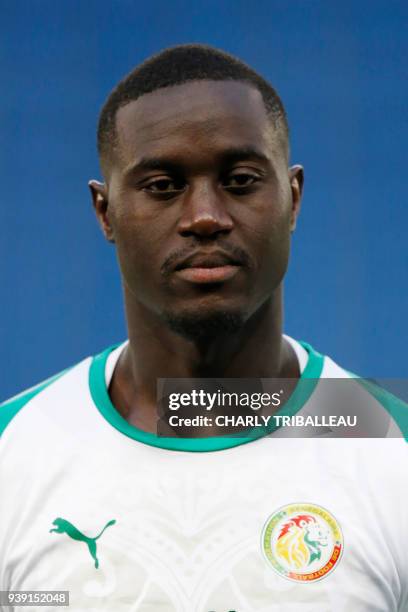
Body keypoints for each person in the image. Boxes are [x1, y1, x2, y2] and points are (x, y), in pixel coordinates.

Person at [0, 44, 407, 612]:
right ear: (105, 212)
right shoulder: (13, 454)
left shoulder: (390, 447)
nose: (205, 217)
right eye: (163, 186)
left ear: (292, 198)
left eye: (240, 180)